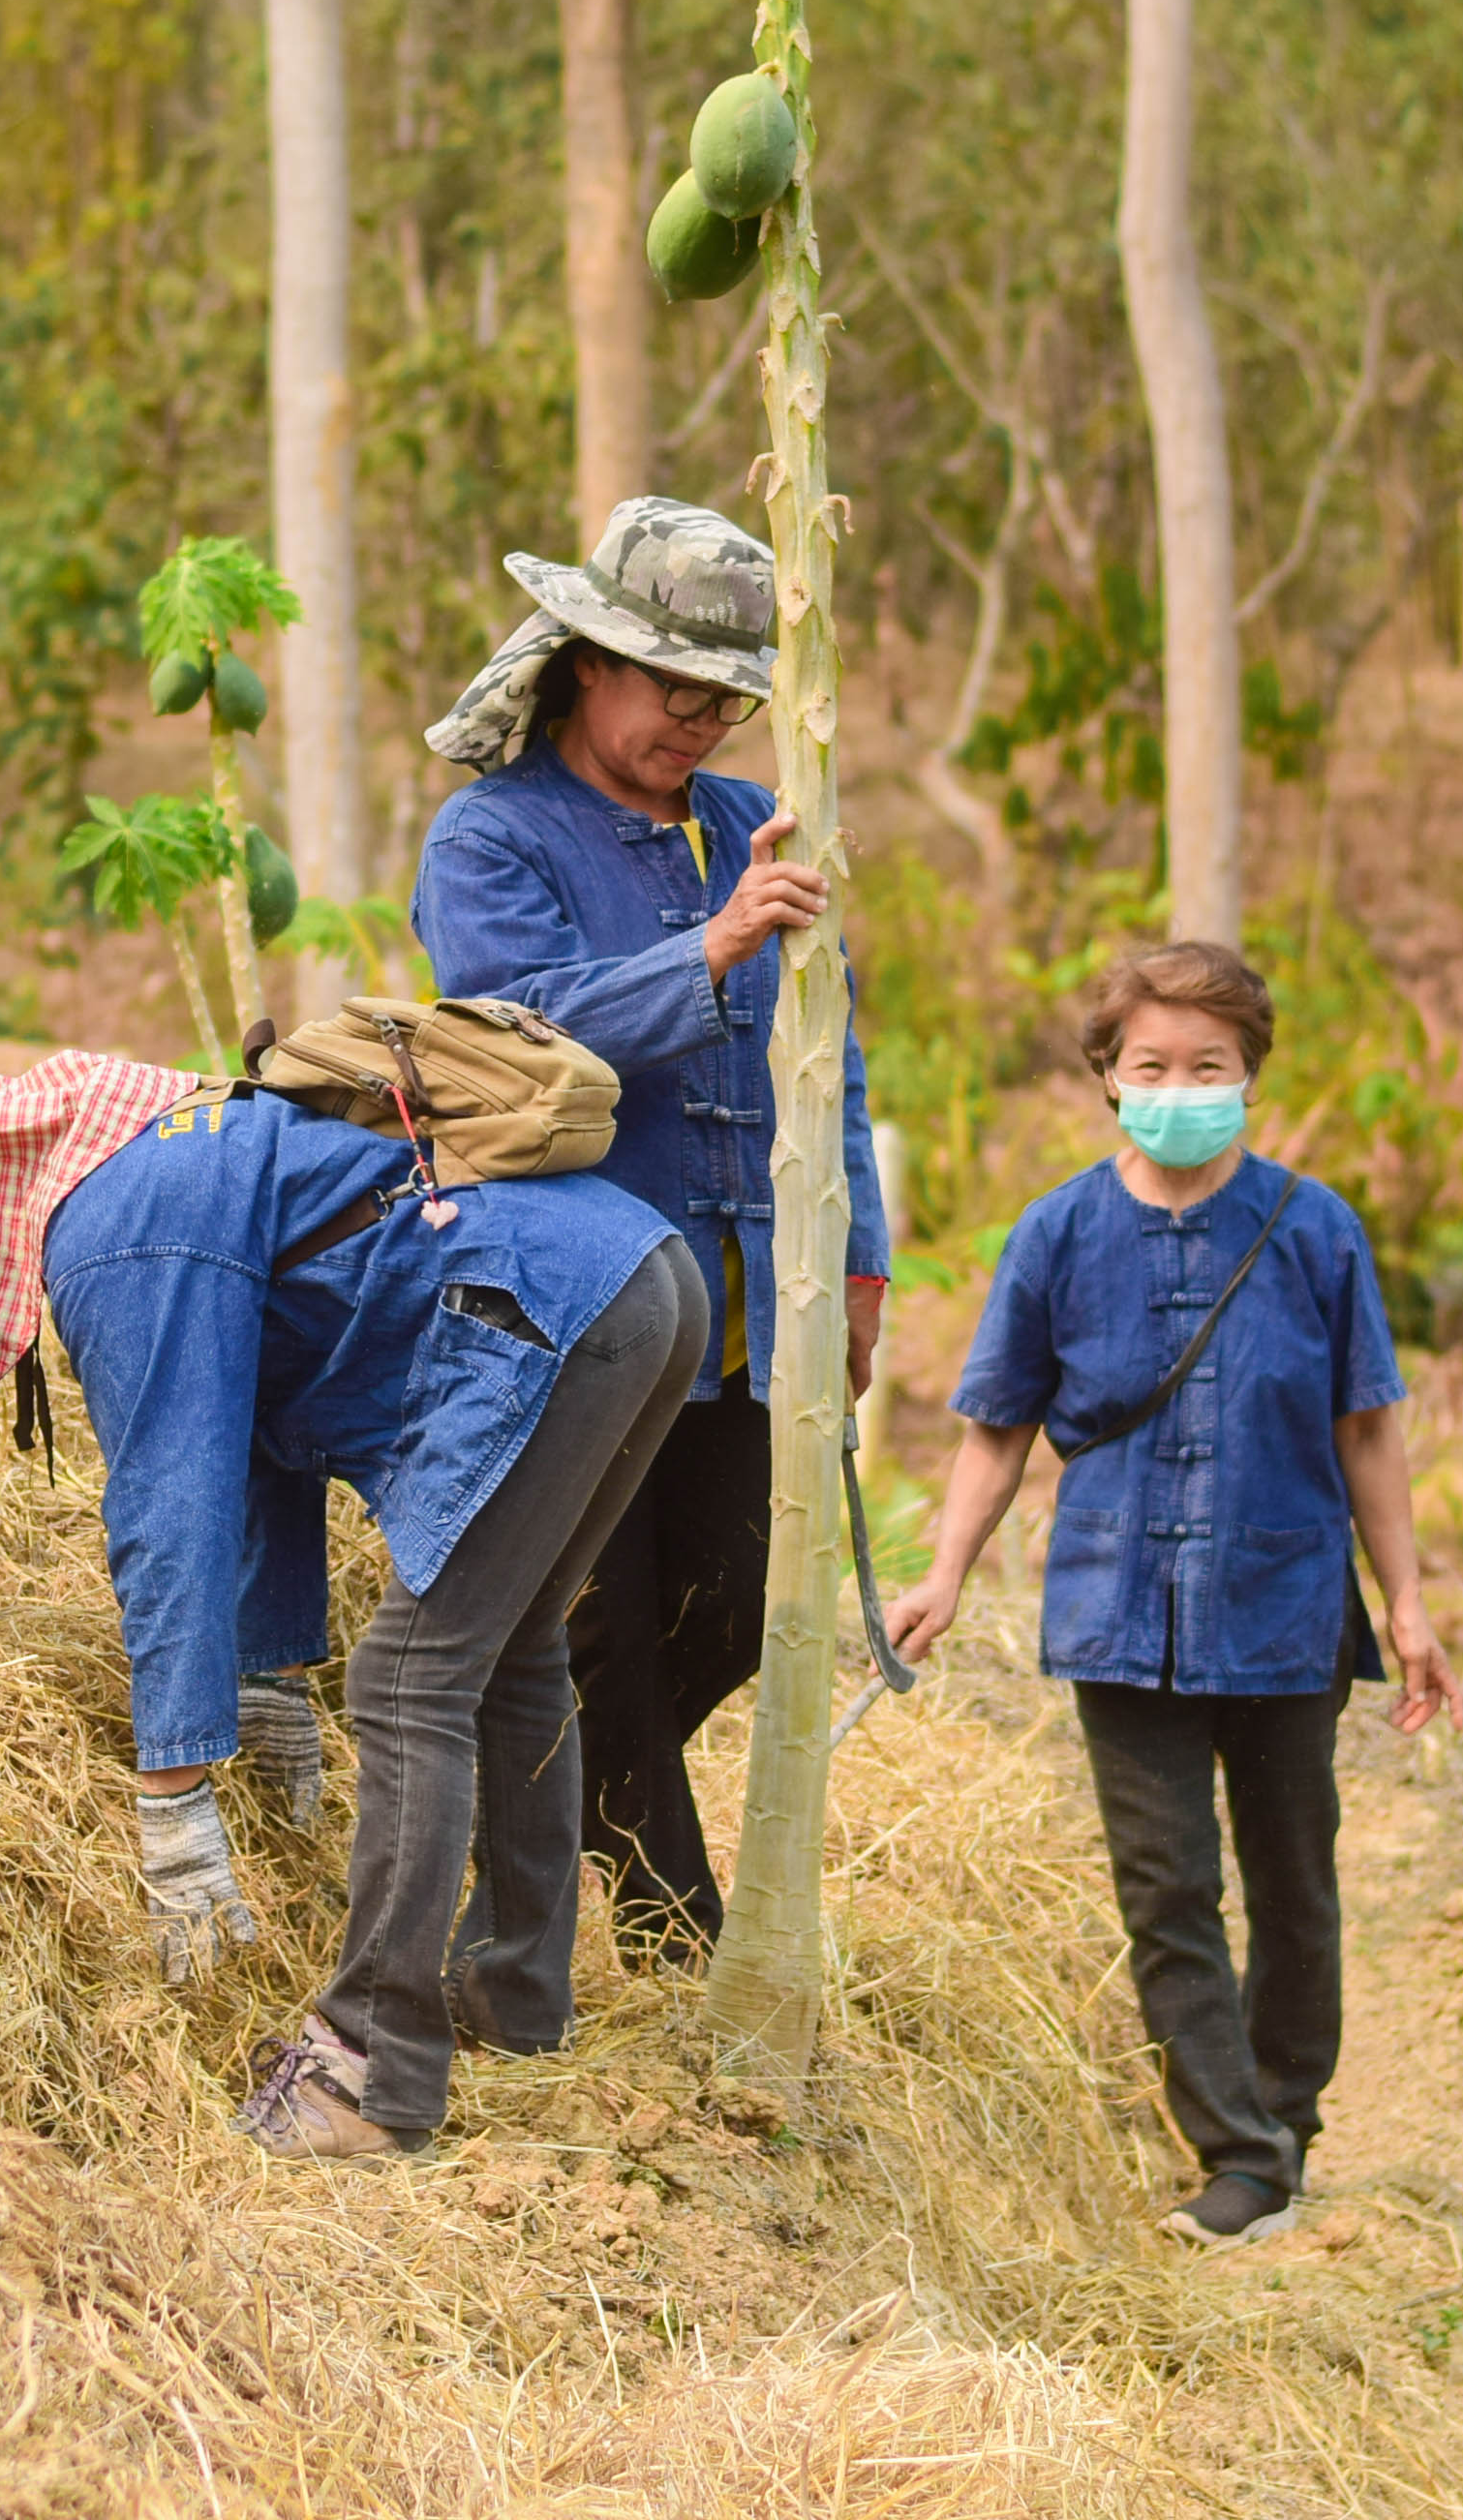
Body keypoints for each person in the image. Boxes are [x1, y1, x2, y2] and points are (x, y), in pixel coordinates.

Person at [0, 1016, 697, 2160]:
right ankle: (510, 2007)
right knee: (509, 1655)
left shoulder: (112, 1229)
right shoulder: (143, 1147)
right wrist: (264, 1672)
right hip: (635, 1280)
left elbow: (173, 1500)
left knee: (410, 1680)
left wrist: (171, 1796)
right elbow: (255, 1427)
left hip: (548, 1307)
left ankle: (366, 2077)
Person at [885, 941, 1454, 2250]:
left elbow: (1369, 1429)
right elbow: (997, 1425)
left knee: (1293, 1878)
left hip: (1287, 1607)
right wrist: (944, 1575)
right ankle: (1237, 2151)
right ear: (1108, 1077)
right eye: (1153, 1064)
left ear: (1251, 1077)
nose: (1181, 1085)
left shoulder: (1315, 1230)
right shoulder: (1059, 1233)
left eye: (1211, 1064)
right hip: (1119, 1609)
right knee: (1167, 1893)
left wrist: (1409, 1605)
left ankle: (1285, 2116)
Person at [411, 495, 891, 1963]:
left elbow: (836, 1049)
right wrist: (715, 946)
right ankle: (686, 1939)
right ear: (587, 663)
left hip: (753, 1307)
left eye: (726, 701)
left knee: (739, 1598)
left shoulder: (753, 824)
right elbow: (518, 1030)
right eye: (673, 689)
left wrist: (861, 1257)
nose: (700, 723)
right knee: (601, 1628)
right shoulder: (494, 838)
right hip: (583, 1299)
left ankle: (554, 1817)